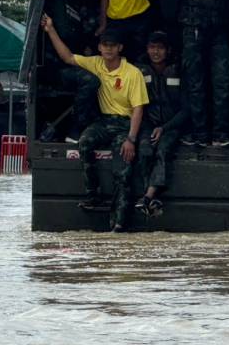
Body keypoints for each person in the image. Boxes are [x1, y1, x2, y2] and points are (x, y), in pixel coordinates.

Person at [40, 15, 149, 233]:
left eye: (112, 46)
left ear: (120, 48)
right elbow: (68, 57)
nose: (108, 50)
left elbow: (138, 108)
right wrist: (51, 29)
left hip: (125, 124)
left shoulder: (133, 73)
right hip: (103, 121)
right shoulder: (96, 64)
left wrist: (131, 139)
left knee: (123, 171)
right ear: (99, 48)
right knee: (85, 142)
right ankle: (93, 194)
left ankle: (118, 223)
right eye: (104, 46)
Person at [171, 0, 229, 147]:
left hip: (219, 34)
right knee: (195, 84)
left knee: (222, 84)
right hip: (193, 32)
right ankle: (199, 133)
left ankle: (221, 134)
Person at [41, 0, 100, 142]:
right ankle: (77, 129)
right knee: (91, 81)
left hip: (71, 60)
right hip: (55, 66)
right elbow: (65, 33)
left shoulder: (70, 2)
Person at [135, 31, 189, 216]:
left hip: (172, 126)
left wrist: (164, 128)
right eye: (152, 47)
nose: (155, 52)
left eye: (160, 48)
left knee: (163, 149)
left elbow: (186, 110)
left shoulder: (178, 70)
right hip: (149, 124)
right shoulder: (140, 71)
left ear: (168, 50)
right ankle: (150, 195)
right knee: (144, 150)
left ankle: (148, 197)